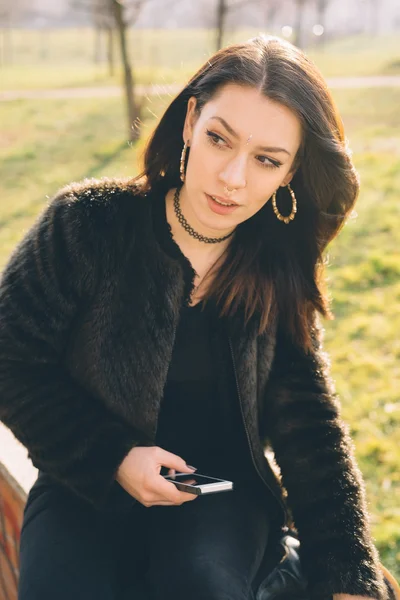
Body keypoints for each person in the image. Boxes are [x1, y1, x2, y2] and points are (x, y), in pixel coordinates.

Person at [0, 35, 390, 600]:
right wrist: (113, 457)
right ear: (189, 122)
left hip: (223, 498)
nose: (233, 177)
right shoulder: (85, 225)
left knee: (201, 583)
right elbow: (10, 358)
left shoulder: (277, 261)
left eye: (266, 160)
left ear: (292, 170)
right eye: (218, 139)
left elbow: (307, 417)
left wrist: (348, 571)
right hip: (83, 485)